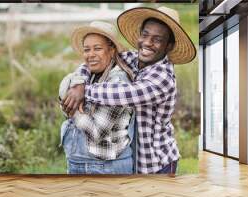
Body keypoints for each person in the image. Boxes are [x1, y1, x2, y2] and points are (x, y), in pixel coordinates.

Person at [62, 7, 196, 175]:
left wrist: (85, 91)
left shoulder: (163, 78)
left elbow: (125, 94)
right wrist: (79, 83)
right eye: (145, 35)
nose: (147, 43)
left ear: (168, 46)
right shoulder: (134, 58)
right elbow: (93, 62)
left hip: (155, 163)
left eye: (157, 39)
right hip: (132, 157)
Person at [59, 21, 136, 174]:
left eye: (98, 48)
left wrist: (72, 109)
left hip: (106, 167)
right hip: (79, 162)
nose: (90, 54)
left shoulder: (118, 82)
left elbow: (97, 133)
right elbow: (67, 107)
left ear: (112, 50)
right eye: (87, 50)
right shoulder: (90, 75)